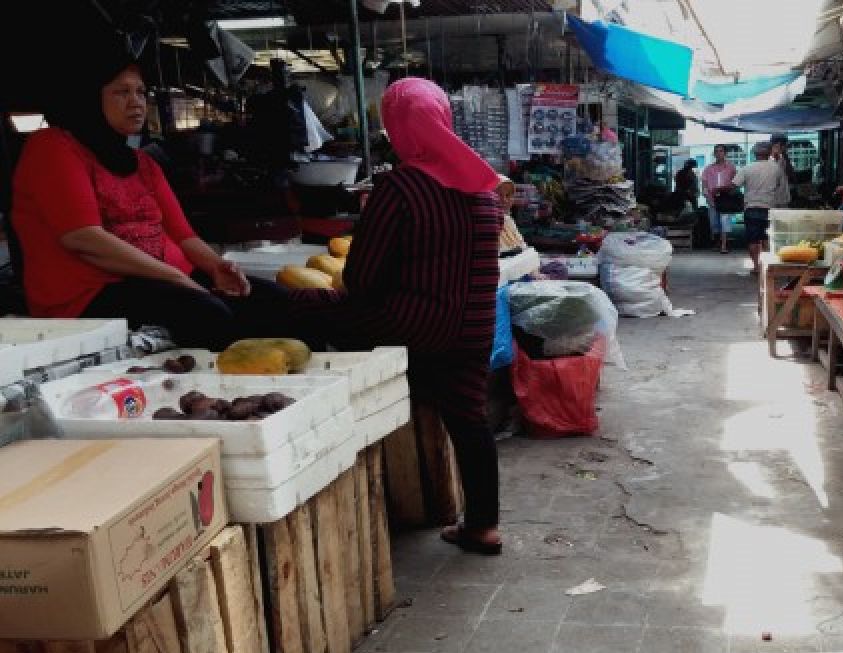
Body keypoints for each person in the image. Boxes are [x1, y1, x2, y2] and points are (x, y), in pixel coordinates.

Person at [290, 78, 504, 555]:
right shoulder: (484, 189)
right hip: (472, 331)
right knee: (470, 420)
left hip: (411, 326)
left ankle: (340, 455)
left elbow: (363, 280)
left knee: (306, 307)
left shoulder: (400, 186)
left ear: (397, 127)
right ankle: (484, 527)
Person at [11, 51, 299, 350]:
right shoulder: (53, 148)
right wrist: (174, 277)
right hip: (89, 295)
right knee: (208, 316)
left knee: (272, 300)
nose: (136, 102)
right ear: (89, 98)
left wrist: (215, 268)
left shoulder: (143, 164)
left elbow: (183, 235)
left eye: (140, 92)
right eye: (121, 92)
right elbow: (83, 239)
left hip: (158, 281)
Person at [733, 141, 789, 275]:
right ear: (769, 153)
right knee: (767, 238)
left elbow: (735, 185)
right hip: (769, 208)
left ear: (754, 154)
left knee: (753, 239)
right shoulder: (776, 168)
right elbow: (781, 187)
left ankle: (756, 267)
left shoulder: (747, 168)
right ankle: (767, 265)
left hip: (751, 208)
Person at [701, 145, 738, 254]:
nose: (718, 153)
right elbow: (704, 184)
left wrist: (731, 192)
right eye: (716, 151)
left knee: (725, 221)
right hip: (712, 199)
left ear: (725, 153)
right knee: (714, 224)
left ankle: (724, 245)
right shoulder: (708, 168)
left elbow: (735, 183)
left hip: (726, 199)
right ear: (714, 154)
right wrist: (706, 195)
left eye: (721, 151)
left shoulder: (731, 167)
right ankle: (718, 242)